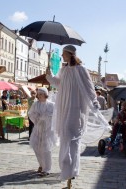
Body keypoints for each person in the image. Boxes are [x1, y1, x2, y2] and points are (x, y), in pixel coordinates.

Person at [46, 45, 109, 188]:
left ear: (70, 54)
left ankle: (72, 172)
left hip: (76, 111)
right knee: (64, 140)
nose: (62, 56)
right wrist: (49, 76)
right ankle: (66, 170)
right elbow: (57, 83)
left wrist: (94, 102)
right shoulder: (63, 70)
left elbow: (89, 88)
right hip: (63, 110)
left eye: (63, 54)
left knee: (73, 142)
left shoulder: (81, 70)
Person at [28, 87, 55, 176]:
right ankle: (41, 165)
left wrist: (45, 117)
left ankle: (47, 168)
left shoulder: (51, 105)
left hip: (47, 129)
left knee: (46, 149)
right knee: (36, 147)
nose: (39, 96)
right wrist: (37, 118)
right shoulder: (35, 104)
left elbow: (54, 115)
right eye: (38, 94)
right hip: (38, 128)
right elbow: (30, 113)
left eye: (40, 94)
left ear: (45, 94)